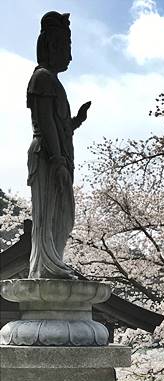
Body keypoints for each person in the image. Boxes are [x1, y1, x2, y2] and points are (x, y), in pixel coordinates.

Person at [27, 11, 91, 278]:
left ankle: (56, 260)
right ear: (53, 46)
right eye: (66, 48)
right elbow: (46, 122)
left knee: (62, 215)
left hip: (58, 155)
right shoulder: (42, 78)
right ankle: (47, 264)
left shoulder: (53, 81)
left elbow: (60, 126)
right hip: (48, 156)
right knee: (50, 212)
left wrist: (77, 120)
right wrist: (57, 160)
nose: (70, 56)